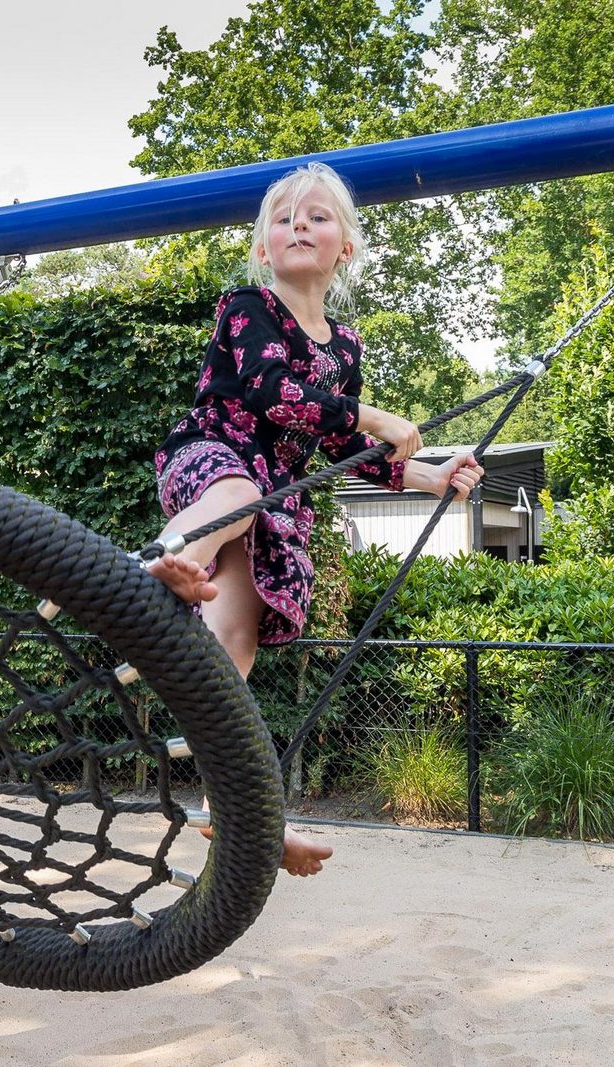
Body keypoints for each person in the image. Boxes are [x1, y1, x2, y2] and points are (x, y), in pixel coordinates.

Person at [146, 162, 483, 876]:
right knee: (234, 497)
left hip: (275, 501)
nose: (299, 225)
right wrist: (379, 415)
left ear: (345, 248)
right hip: (215, 460)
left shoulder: (348, 346)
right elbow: (273, 394)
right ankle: (169, 560)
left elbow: (342, 445)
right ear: (264, 249)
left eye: (317, 217)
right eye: (283, 218)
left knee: (231, 643)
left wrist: (429, 475)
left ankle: (233, 809)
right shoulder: (247, 307)